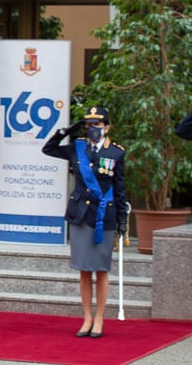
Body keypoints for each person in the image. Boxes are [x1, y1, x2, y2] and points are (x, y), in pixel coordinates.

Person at [43, 106, 127, 338]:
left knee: (100, 269)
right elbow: (48, 149)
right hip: (80, 215)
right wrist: (66, 130)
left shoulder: (116, 153)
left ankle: (99, 317)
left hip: (104, 216)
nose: (92, 130)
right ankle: (87, 317)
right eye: (88, 126)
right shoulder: (77, 147)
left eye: (96, 126)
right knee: (82, 270)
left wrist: (123, 220)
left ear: (106, 128)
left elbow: (119, 188)